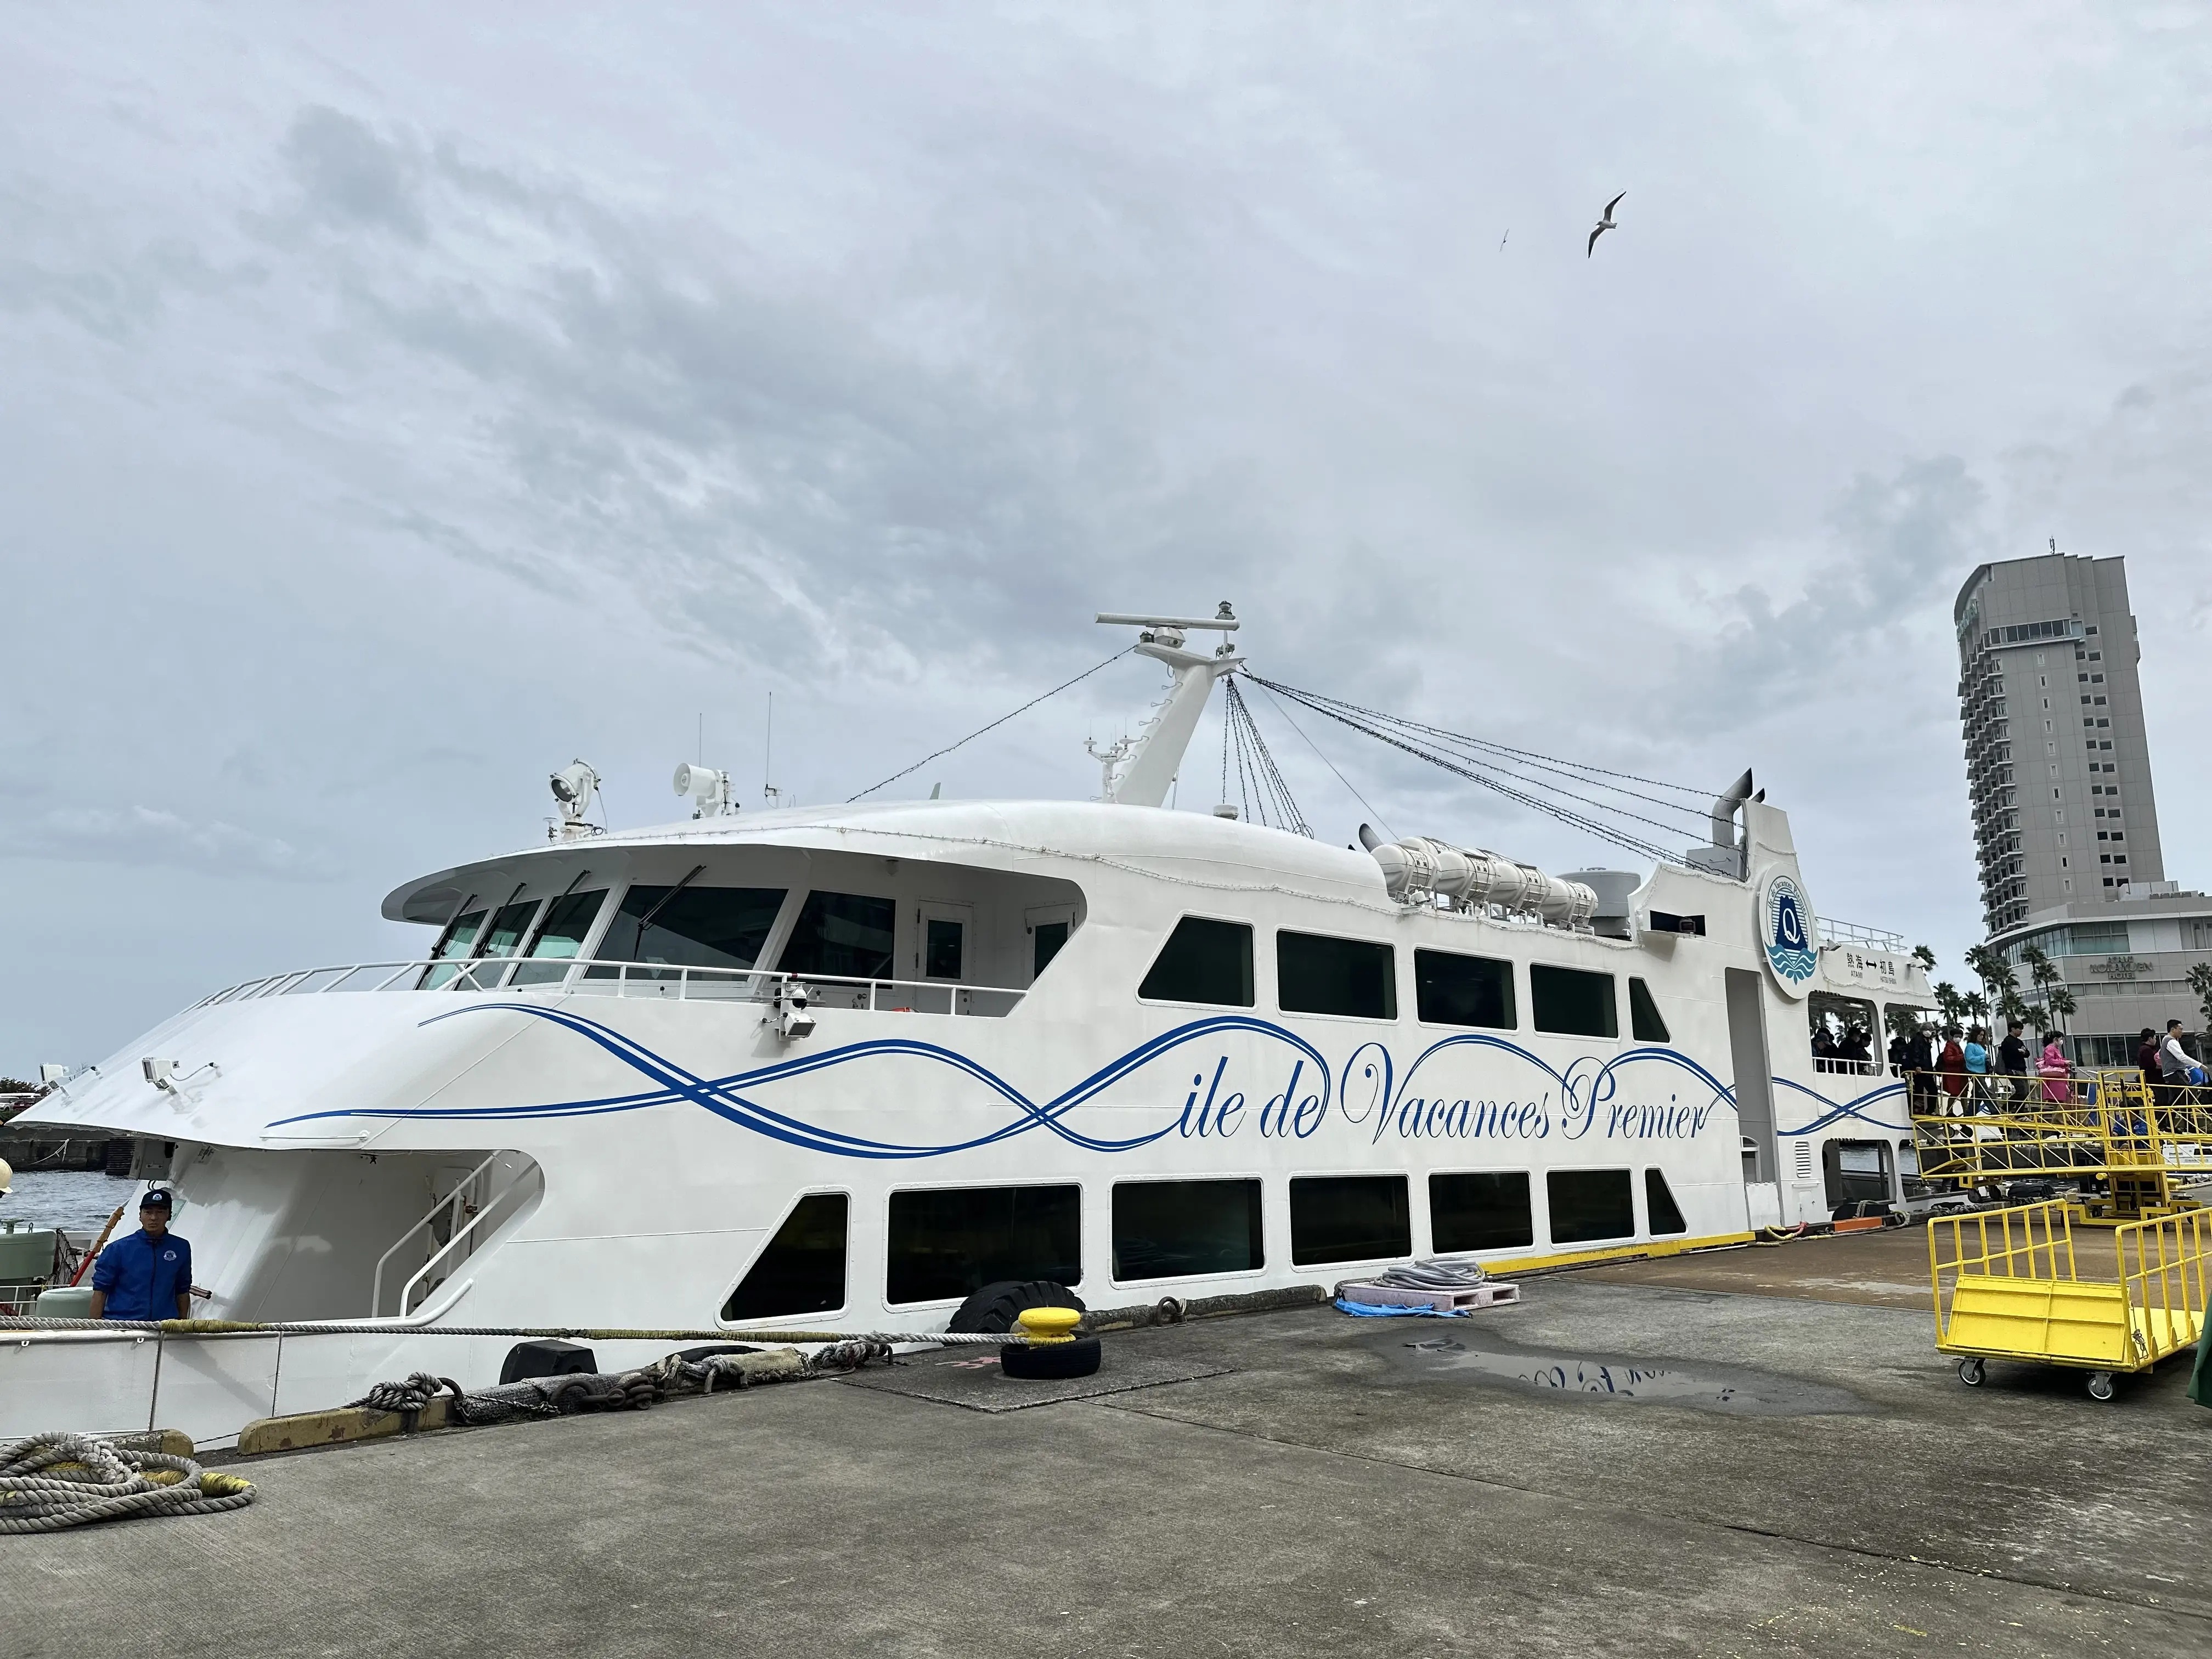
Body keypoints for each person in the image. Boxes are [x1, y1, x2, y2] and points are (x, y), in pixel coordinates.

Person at [88, 1189, 192, 1323]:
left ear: (169, 1215)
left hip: (165, 1325)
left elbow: (183, 1289)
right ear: (140, 1216)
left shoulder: (181, 1247)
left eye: (160, 1212)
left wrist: (182, 1325)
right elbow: (100, 1291)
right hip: (122, 1324)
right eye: (148, 1212)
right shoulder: (117, 1249)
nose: (154, 1218)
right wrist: (94, 1328)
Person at [2160, 1020, 2205, 1106]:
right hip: (2174, 1073)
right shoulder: (2171, 1041)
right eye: (2180, 1029)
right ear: (2173, 1029)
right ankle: (2187, 1118)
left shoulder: (2166, 1040)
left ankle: (2170, 1118)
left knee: (2177, 1099)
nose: (2182, 1032)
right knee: (2188, 1096)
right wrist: (2200, 1065)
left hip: (2172, 1073)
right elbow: (2182, 1057)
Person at [1997, 1019, 2029, 1107]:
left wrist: (2023, 1052)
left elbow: (2027, 1053)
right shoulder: (2007, 1041)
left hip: (2022, 1069)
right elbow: (2008, 1054)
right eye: (2019, 1029)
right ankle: (2006, 1108)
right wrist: (2018, 1051)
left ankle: (2020, 1113)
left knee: (2026, 1092)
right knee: (2021, 1091)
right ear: (2013, 1029)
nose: (2021, 1031)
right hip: (2013, 1070)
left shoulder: (2019, 1042)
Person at [1938, 1028, 1968, 1115]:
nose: (1958, 1038)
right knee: (1955, 1093)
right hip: (1954, 1074)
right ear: (1952, 1037)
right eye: (1956, 1036)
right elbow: (1948, 1059)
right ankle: (1950, 1111)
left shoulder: (1956, 1046)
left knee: (1963, 1093)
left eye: (1960, 1037)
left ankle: (1965, 1111)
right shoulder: (1949, 1047)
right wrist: (1962, 1057)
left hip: (1959, 1073)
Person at [1962, 1025, 1991, 1109]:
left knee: (1977, 1094)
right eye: (1980, 1035)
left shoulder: (1979, 1046)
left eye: (1983, 1035)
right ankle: (1995, 1112)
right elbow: (1970, 1059)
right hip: (1975, 1071)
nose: (1982, 1037)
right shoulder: (1970, 1046)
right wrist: (1983, 1057)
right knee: (1985, 1092)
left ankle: (1970, 1113)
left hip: (1981, 1071)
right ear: (1976, 1035)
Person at [2039, 1032, 2071, 1104]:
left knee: (2060, 1099)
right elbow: (2050, 1061)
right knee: (2057, 1099)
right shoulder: (2050, 1048)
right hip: (2055, 1079)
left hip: (2059, 1078)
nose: (2061, 1041)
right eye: (2061, 1039)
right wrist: (2064, 1062)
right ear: (2056, 1039)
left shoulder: (2054, 1048)